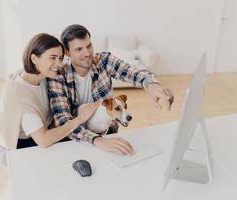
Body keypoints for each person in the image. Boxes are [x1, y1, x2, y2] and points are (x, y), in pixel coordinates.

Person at [47, 24, 174, 155]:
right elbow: (63, 121)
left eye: (89, 46)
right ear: (67, 52)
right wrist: (96, 140)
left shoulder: (104, 61)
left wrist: (153, 86)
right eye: (79, 49)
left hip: (107, 132)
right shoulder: (58, 75)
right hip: (74, 138)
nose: (87, 53)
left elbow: (134, 73)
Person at [0, 33, 99, 163]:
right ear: (34, 59)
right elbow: (43, 140)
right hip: (23, 145)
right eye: (53, 58)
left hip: (42, 132)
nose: (59, 64)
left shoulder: (41, 74)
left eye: (60, 58)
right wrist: (79, 119)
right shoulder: (22, 98)